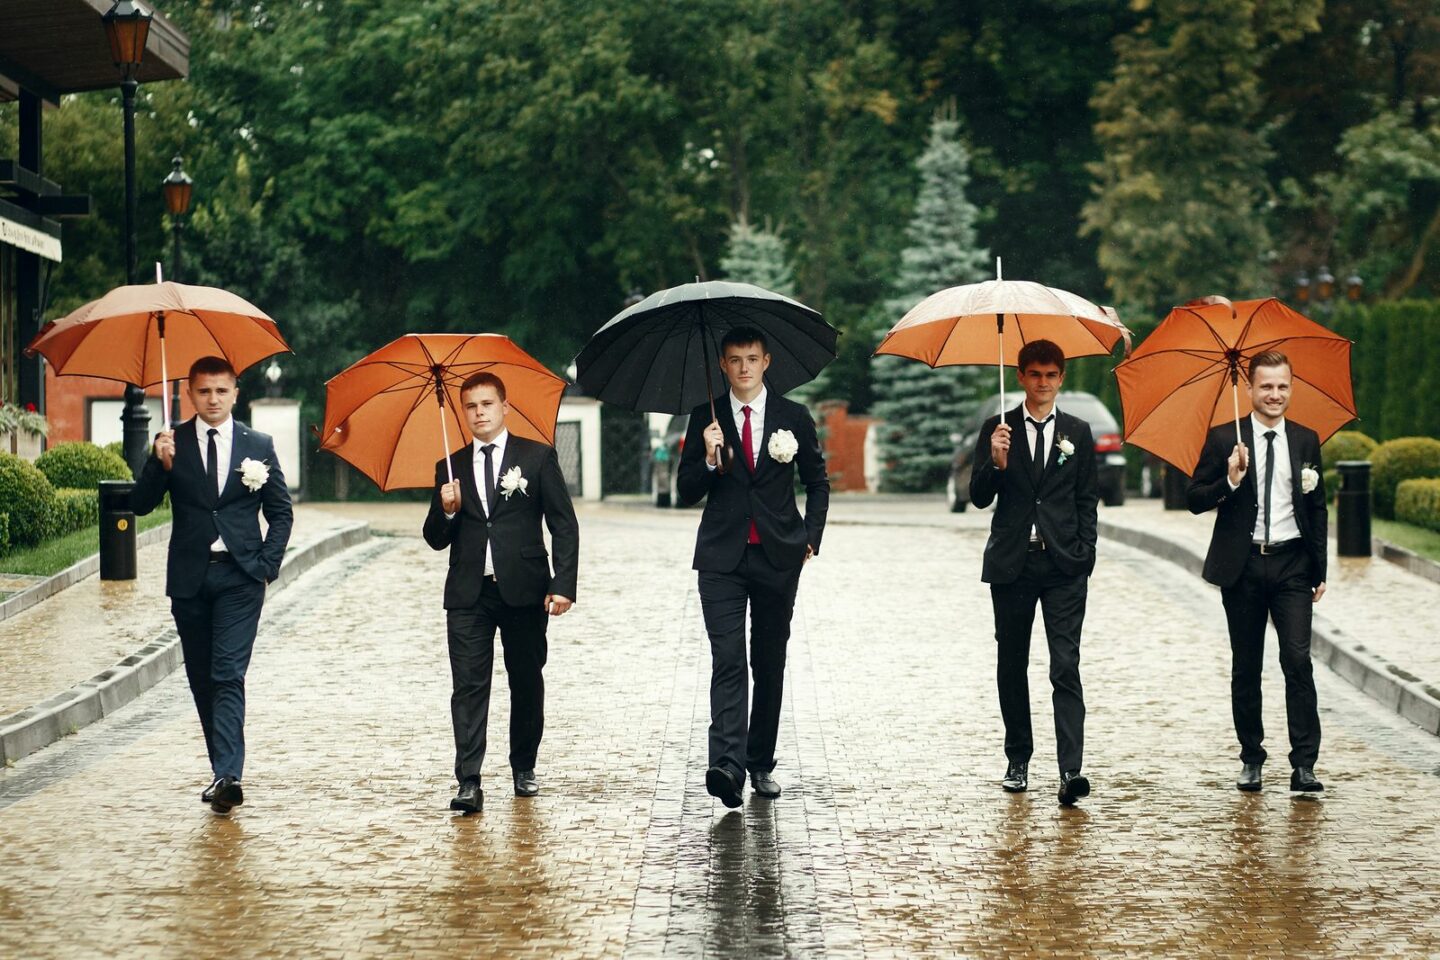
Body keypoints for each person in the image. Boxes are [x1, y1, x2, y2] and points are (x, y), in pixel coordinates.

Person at [676, 325, 829, 808]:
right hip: (721, 558)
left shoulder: (793, 417)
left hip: (778, 557)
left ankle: (759, 761)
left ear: (767, 362)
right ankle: (726, 764)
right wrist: (705, 456)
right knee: (728, 658)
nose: (743, 367)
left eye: (752, 358)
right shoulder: (707, 417)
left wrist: (811, 536)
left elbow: (818, 483)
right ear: (722, 366)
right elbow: (685, 491)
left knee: (768, 661)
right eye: (734, 360)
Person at [132, 355, 293, 814]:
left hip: (241, 577)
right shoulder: (172, 442)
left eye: (222, 391)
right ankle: (221, 769)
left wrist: (266, 563)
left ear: (236, 393)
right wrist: (156, 464)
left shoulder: (258, 444)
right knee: (202, 677)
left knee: (227, 673)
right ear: (190, 394)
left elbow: (280, 510)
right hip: (189, 579)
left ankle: (228, 775)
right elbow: (140, 506)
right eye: (204, 391)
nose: (213, 399)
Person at [422, 372, 579, 814]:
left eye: (487, 404)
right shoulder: (448, 467)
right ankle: (469, 779)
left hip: (525, 590)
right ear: (463, 412)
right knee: (468, 686)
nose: (479, 413)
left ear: (504, 407)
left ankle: (523, 765)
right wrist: (447, 509)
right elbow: (435, 537)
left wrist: (562, 583)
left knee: (526, 680)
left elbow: (563, 524)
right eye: (470, 406)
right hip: (469, 592)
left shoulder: (536, 457)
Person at [1187, 350, 1327, 793]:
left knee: (1297, 661)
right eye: (1266, 386)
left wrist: (1319, 569)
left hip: (1292, 564)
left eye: (1282, 386)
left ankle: (1304, 764)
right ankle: (1252, 758)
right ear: (1249, 389)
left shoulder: (1306, 440)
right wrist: (1229, 480)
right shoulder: (1223, 438)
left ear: (1291, 388)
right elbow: (1194, 498)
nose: (1275, 394)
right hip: (1243, 564)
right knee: (1246, 665)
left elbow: (1316, 507)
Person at [970, 339, 1098, 806]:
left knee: (1065, 665)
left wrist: (1086, 554)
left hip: (1064, 565)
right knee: (1012, 663)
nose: (1043, 383)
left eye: (1051, 375)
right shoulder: (997, 428)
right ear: (1021, 377)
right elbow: (979, 496)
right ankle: (1018, 759)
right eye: (1034, 374)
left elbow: (1087, 499)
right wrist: (996, 463)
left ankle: (1071, 770)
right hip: (1012, 564)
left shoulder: (1077, 432)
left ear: (1061, 379)